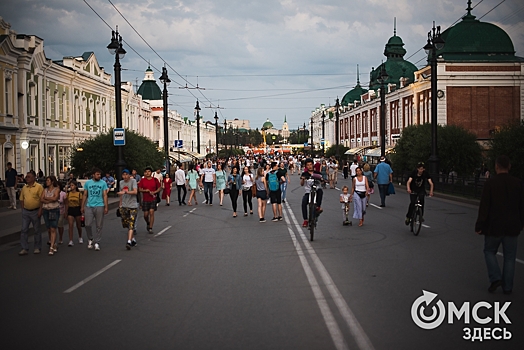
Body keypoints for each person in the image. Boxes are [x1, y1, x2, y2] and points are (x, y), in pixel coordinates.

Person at [475, 156, 524, 295]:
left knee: (489, 251)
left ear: (496, 167)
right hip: (513, 226)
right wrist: (522, 222)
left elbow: (484, 207)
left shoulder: (490, 183)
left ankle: (495, 277)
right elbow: (522, 205)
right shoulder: (518, 183)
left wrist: (479, 225)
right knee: (510, 257)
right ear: (509, 166)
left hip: (493, 226)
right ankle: (508, 287)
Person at [81, 168, 109, 251]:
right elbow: (85, 195)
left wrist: (106, 206)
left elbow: (104, 195)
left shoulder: (103, 183)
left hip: (99, 205)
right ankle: (90, 238)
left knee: (99, 225)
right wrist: (82, 206)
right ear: (93, 175)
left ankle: (97, 242)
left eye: (100, 174)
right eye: (97, 174)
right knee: (87, 224)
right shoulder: (88, 183)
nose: (99, 176)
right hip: (89, 205)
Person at [18, 171, 44, 255]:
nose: (26, 178)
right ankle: (24, 248)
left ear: (33, 178)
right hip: (26, 211)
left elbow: (42, 199)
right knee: (24, 229)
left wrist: (40, 209)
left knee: (36, 230)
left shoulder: (38, 187)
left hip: (35, 211)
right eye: (26, 176)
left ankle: (37, 247)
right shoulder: (24, 188)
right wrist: (23, 209)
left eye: (28, 177)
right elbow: (21, 199)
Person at [118, 169, 138, 250]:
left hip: (133, 205)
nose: (125, 176)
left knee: (131, 223)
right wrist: (120, 204)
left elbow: (135, 192)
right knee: (126, 224)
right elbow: (121, 194)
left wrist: (125, 192)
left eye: (126, 174)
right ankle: (132, 239)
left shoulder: (133, 181)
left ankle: (129, 241)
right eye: (123, 175)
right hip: (124, 205)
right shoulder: (121, 183)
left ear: (129, 175)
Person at [300, 158, 323, 227]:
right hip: (308, 191)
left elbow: (321, 180)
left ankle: (318, 207)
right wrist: (303, 179)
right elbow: (301, 184)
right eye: (308, 165)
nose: (310, 166)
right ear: (306, 166)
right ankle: (305, 220)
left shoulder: (317, 173)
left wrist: (322, 180)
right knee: (304, 202)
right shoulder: (304, 174)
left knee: (320, 191)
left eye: (311, 164)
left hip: (316, 190)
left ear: (313, 165)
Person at [41, 176, 61, 255]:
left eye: (48, 180)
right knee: (49, 228)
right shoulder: (45, 190)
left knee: (53, 228)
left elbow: (55, 198)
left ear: (52, 181)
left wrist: (46, 198)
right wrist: (49, 198)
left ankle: (51, 247)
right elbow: (41, 199)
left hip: (54, 209)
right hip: (46, 210)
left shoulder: (56, 189)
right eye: (46, 180)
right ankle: (54, 243)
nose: (47, 182)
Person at [138, 166, 161, 234]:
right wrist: (145, 190)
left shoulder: (155, 180)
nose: (147, 173)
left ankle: (150, 227)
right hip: (145, 199)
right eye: (146, 172)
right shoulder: (143, 180)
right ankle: (148, 222)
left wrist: (155, 192)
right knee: (145, 214)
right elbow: (139, 189)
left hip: (153, 198)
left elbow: (159, 188)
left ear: (151, 172)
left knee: (151, 212)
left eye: (149, 171)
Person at [65, 181, 83, 245]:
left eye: (72, 185)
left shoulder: (79, 194)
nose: (71, 187)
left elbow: (81, 203)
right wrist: (66, 212)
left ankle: (80, 236)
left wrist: (82, 210)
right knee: (70, 225)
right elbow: (66, 203)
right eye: (70, 185)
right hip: (70, 209)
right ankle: (70, 240)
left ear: (75, 186)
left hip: (77, 209)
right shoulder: (68, 194)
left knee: (78, 225)